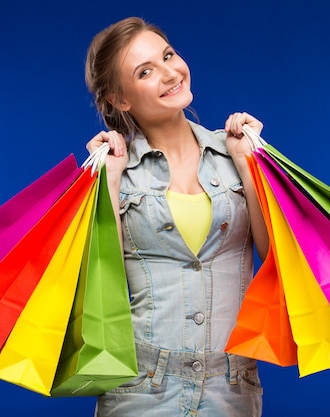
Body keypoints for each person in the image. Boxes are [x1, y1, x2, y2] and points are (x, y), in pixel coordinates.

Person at [84, 17, 269, 417]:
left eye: (168, 55)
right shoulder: (115, 170)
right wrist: (110, 181)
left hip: (232, 388)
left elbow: (275, 258)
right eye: (145, 71)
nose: (170, 73)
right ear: (120, 99)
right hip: (141, 389)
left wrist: (247, 161)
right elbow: (103, 281)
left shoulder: (236, 151)